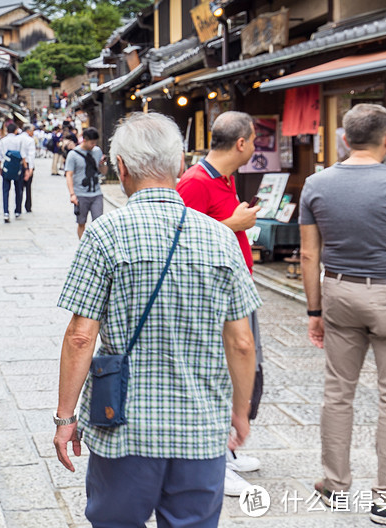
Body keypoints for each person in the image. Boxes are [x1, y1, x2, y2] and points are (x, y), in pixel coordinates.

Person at [53, 111, 260, 528]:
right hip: (200, 429)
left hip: (123, 428)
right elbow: (241, 341)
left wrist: (65, 417)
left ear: (122, 168)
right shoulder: (221, 237)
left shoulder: (104, 233)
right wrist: (240, 411)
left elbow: (80, 336)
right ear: (180, 164)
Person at [300, 103, 386, 524]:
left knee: (338, 392)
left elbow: (310, 253)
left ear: (344, 139)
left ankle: (334, 486)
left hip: (339, 291)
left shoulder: (316, 183)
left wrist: (314, 309)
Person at [176, 111, 265, 497]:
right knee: (227, 368)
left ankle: (227, 451)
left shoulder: (223, 178)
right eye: (254, 139)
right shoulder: (194, 182)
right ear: (241, 143)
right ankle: (217, 460)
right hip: (214, 292)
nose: (255, 146)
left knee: (246, 368)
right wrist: (235, 225)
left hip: (236, 283)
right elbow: (179, 237)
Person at [65, 127, 108, 239]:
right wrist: (72, 194)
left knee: (98, 223)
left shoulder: (97, 151)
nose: (93, 145)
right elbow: (69, 175)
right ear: (84, 139)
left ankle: (96, 246)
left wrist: (103, 164)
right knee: (81, 222)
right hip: (80, 194)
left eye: (95, 143)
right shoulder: (73, 154)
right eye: (91, 142)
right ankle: (82, 246)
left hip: (96, 193)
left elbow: (103, 172)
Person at [0, 122, 25, 223]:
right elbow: (23, 154)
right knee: (18, 189)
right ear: (15, 130)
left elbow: (0, 156)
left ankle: (6, 212)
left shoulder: (2, 141)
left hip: (6, 167)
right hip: (17, 166)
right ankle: (18, 210)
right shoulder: (19, 141)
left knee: (5, 190)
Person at [20, 123, 37, 215]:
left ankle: (18, 206)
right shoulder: (30, 140)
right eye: (32, 131)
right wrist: (30, 168)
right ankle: (28, 206)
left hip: (20, 165)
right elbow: (31, 155)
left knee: (19, 187)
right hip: (27, 164)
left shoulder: (17, 138)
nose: (33, 133)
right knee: (28, 187)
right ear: (28, 131)